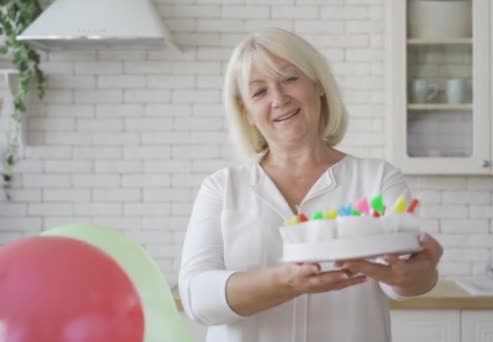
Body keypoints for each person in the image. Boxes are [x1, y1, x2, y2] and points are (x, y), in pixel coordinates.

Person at [179, 28, 443, 342]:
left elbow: (404, 282)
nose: (278, 99)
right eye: (259, 92)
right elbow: (197, 298)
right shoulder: (222, 188)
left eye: (290, 79)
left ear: (317, 84)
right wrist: (286, 282)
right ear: (246, 112)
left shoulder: (377, 178)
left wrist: (418, 275)